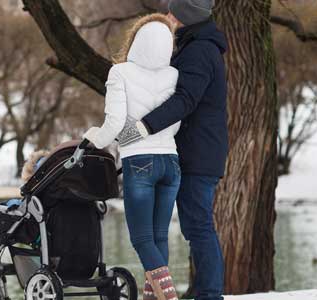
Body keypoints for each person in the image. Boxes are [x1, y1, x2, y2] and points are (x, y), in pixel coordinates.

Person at [121, 0, 229, 299]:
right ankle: (168, 292)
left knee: (198, 227)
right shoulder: (193, 45)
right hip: (192, 150)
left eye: (173, 12)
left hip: (198, 153)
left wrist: (142, 127)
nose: (167, 17)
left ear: (187, 15)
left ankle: (209, 294)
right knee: (193, 228)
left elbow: (185, 100)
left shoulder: (199, 51)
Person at [82, 13, 181, 300]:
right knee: (159, 236)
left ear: (136, 40)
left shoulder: (120, 72)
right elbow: (174, 121)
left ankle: (168, 296)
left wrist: (94, 138)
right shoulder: (174, 75)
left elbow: (113, 124)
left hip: (140, 163)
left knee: (142, 239)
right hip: (171, 163)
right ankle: (154, 297)